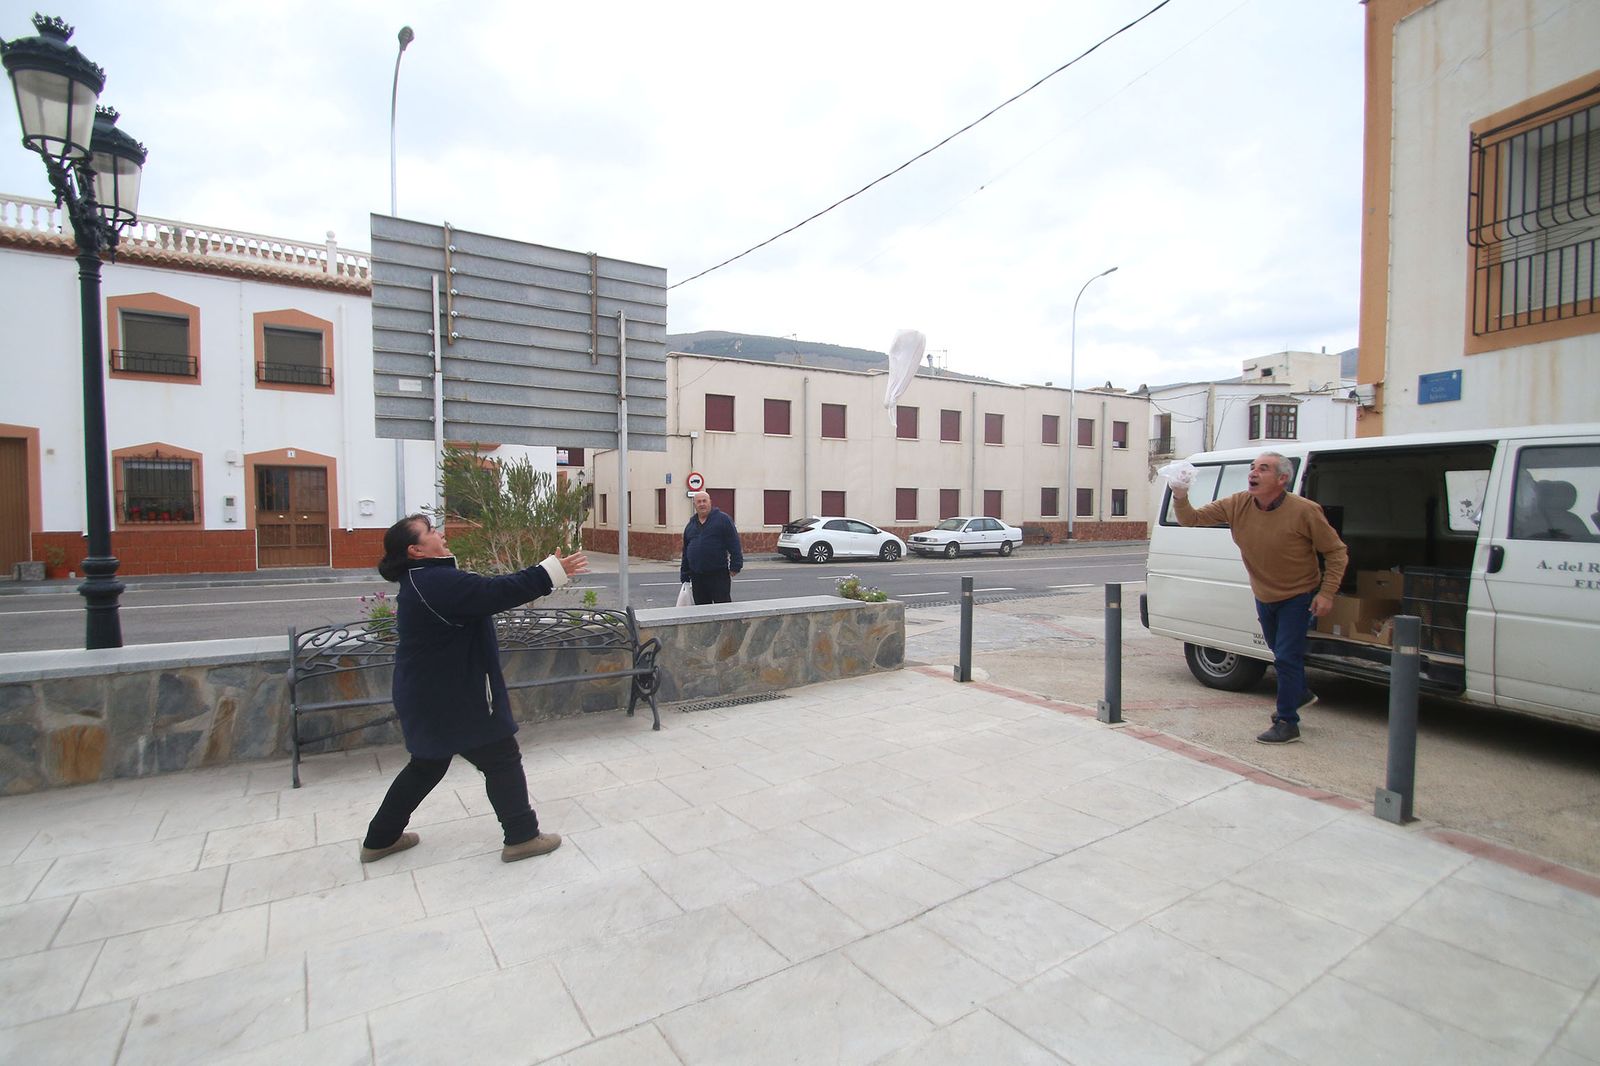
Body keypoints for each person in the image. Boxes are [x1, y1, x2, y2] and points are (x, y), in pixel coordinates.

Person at [361, 514, 589, 863]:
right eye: (431, 532)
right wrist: (551, 571)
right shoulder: (434, 582)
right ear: (416, 550)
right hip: (452, 698)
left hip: (429, 694)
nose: (441, 534)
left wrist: (548, 571)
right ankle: (522, 837)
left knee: (427, 765)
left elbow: (483, 591)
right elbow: (493, 593)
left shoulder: (423, 579)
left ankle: (380, 838)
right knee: (501, 758)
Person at [1170, 452, 1348, 744]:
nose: (1253, 473)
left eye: (1263, 469)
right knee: (1280, 654)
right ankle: (1299, 693)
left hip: (1297, 595)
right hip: (1264, 594)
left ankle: (1287, 722)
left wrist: (1327, 593)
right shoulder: (1237, 503)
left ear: (1282, 479)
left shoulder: (1305, 511)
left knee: (1287, 657)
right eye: (1252, 468)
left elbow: (1336, 551)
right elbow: (1192, 519)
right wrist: (1180, 493)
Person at [680, 490, 743, 605]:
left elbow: (734, 543)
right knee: (702, 610)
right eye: (698, 502)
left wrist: (736, 565)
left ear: (710, 502)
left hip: (718, 574)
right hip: (697, 576)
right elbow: (686, 551)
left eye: (704, 501)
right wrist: (684, 573)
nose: (702, 504)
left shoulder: (723, 519)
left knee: (723, 608)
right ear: (694, 505)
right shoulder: (691, 525)